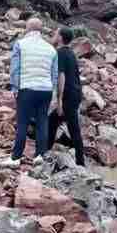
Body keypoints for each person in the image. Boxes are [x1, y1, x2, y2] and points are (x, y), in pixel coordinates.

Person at [0, 17, 58, 168]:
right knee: (42, 122)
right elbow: (54, 73)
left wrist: (15, 88)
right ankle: (40, 155)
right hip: (45, 89)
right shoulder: (51, 49)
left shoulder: (20, 44)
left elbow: (15, 69)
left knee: (23, 122)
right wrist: (53, 92)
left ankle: (16, 157)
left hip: (27, 88)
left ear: (27, 28)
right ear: (41, 30)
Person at [47, 26, 86, 167]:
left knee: (73, 128)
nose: (53, 34)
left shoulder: (60, 53)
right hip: (75, 93)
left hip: (67, 95)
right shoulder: (70, 53)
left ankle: (81, 163)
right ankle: (45, 153)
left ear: (61, 38)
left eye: (55, 33)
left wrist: (59, 101)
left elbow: (61, 76)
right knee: (52, 122)